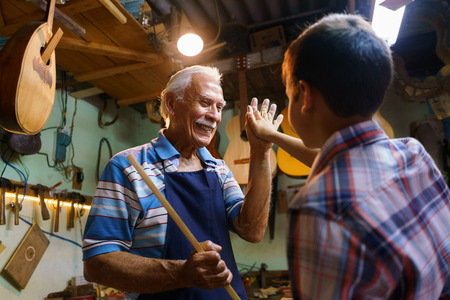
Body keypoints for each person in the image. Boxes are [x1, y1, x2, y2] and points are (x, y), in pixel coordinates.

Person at [247, 13, 450, 299]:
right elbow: (341, 160)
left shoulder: (317, 209)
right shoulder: (413, 153)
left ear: (305, 96)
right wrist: (272, 136)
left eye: (288, 95)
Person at [82, 65, 276, 300]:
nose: (215, 115)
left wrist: (261, 151)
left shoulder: (219, 169)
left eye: (219, 107)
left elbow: (252, 230)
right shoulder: (129, 167)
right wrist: (182, 273)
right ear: (172, 104)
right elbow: (97, 263)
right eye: (205, 103)